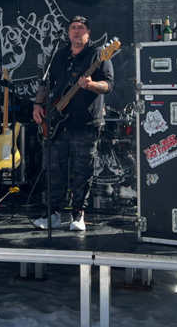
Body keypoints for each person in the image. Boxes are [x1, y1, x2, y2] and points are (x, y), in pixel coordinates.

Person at [33, 15, 114, 231]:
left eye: (80, 28)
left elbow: (108, 85)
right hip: (57, 122)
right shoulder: (59, 55)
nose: (76, 31)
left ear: (88, 33)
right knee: (53, 170)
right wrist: (38, 104)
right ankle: (53, 214)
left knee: (83, 171)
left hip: (86, 123)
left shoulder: (98, 54)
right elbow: (45, 83)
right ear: (68, 33)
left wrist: (91, 84)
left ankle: (78, 214)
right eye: (72, 28)